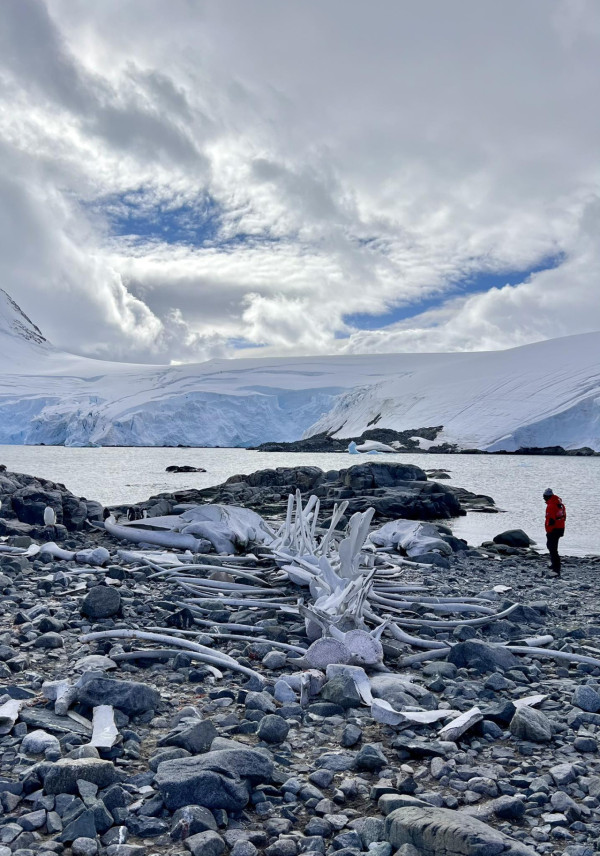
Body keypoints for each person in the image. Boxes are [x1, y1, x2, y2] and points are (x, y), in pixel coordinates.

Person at [543, 488, 566, 576]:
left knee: (552, 548)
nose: (544, 498)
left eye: (544, 497)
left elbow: (551, 520)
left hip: (553, 529)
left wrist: (549, 530)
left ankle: (556, 568)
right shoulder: (560, 504)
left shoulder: (551, 506)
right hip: (560, 528)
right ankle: (554, 565)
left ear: (547, 497)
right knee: (552, 547)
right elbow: (564, 517)